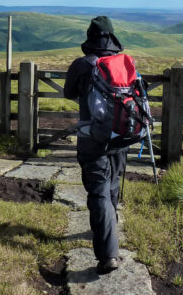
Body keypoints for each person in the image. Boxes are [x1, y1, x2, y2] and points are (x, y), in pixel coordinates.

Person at [63, 16, 127, 274]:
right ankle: (108, 228)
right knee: (111, 185)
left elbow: (68, 93)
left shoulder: (81, 64)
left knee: (98, 191)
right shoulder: (123, 63)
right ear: (111, 38)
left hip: (93, 138)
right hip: (122, 136)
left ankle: (108, 255)